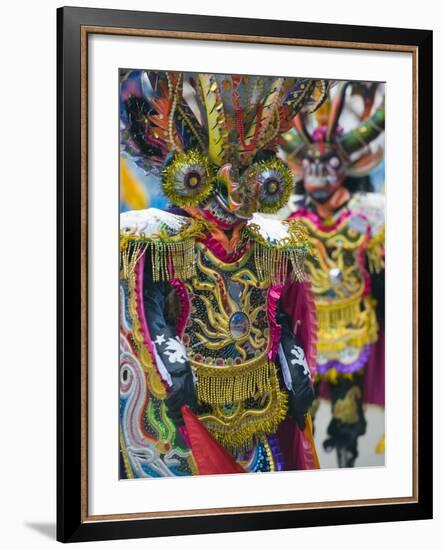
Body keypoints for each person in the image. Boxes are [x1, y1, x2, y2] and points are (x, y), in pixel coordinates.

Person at [119, 70, 327, 477]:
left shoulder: (269, 241)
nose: (237, 196)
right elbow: (146, 311)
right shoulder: (163, 238)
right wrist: (170, 366)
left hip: (259, 404)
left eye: (248, 178)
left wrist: (291, 357)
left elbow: (276, 311)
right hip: (188, 410)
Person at [282, 82, 385, 467]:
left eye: (329, 166)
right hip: (305, 329)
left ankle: (346, 454)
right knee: (299, 406)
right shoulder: (291, 221)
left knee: (346, 410)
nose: (320, 175)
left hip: (349, 326)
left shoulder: (366, 217)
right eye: (312, 166)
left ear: (350, 168)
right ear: (299, 169)